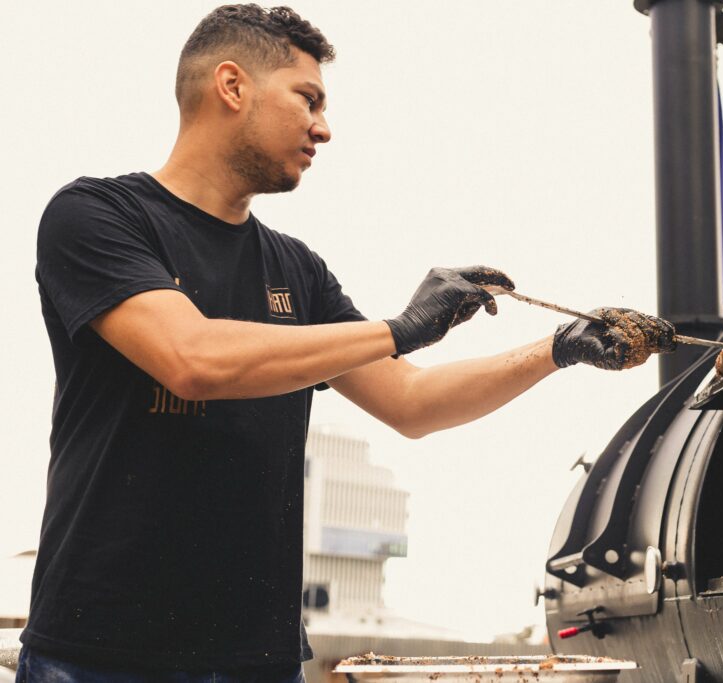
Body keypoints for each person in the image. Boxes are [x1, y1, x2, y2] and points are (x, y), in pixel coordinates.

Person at [20, 4, 676, 681]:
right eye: (308, 99)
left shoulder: (297, 270)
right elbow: (191, 358)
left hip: (257, 661)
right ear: (232, 84)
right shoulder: (96, 217)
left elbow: (411, 400)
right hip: (99, 656)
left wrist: (558, 347)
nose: (323, 128)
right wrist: (399, 327)